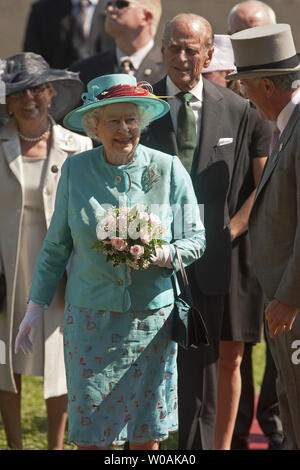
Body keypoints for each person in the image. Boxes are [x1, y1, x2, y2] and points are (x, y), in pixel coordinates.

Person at [14, 73, 206, 450]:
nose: (124, 129)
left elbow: (196, 239)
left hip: (150, 322)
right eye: (113, 121)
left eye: (131, 119)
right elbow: (56, 246)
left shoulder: (168, 169)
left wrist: (165, 253)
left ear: (142, 122)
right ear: (94, 126)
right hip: (90, 321)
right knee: (90, 433)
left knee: (145, 434)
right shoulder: (75, 169)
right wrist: (35, 305)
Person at [141, 13, 251, 450]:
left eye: (192, 49)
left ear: (209, 55)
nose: (182, 57)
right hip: (150, 261)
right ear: (162, 49)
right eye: (174, 46)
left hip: (210, 263)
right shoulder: (141, 105)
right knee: (150, 367)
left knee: (203, 374)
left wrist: (227, 233)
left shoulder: (238, 109)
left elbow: (247, 185)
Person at [0, 52, 92, 450]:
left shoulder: (81, 145)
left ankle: (56, 445)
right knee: (4, 361)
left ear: (52, 92)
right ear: (7, 101)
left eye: (37, 88)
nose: (28, 99)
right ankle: (16, 446)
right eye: (19, 92)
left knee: (60, 358)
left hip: (61, 268)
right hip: (6, 268)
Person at [228, 22, 300, 450]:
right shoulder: (287, 123)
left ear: (269, 86)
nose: (244, 97)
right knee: (291, 408)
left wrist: (289, 295)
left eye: (246, 87)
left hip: (292, 304)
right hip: (286, 304)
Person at [202, 34, 271, 450]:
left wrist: (231, 229)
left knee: (231, 356)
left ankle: (222, 445)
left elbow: (261, 186)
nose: (212, 79)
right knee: (193, 355)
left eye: (218, 72)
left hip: (235, 252)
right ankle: (193, 437)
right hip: (190, 250)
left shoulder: (252, 115)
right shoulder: (187, 114)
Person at [69, 0, 165, 87]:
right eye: (109, 4)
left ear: (146, 17)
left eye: (121, 4)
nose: (109, 9)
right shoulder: (82, 71)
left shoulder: (170, 69)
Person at [23, 0, 107, 69]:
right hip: (60, 85)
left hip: (107, 84)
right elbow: (32, 60)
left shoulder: (115, 6)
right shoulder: (42, 9)